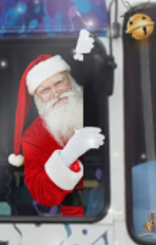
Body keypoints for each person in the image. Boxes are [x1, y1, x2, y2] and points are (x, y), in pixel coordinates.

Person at [6, 55, 105, 217]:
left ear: (71, 82)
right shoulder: (34, 136)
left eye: (59, 82)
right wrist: (67, 156)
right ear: (38, 99)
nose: (56, 93)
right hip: (64, 218)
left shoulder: (102, 107)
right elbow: (41, 192)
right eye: (45, 90)